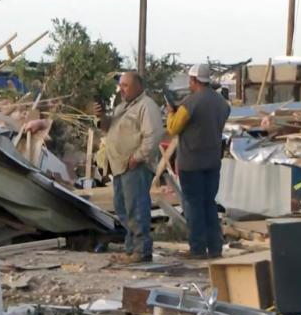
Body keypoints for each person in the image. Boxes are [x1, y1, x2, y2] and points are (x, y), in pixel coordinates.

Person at [96, 71, 164, 264]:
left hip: (135, 166)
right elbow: (109, 128)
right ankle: (131, 248)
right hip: (119, 166)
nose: (121, 89)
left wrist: (138, 156)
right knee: (123, 208)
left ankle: (142, 250)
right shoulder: (122, 107)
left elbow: (153, 135)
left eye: (125, 85)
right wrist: (101, 116)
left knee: (136, 208)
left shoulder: (146, 106)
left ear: (138, 86)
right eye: (121, 85)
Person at [165, 64, 230, 259]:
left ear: (194, 80)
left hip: (191, 162)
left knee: (193, 206)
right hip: (212, 161)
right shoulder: (221, 103)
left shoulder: (190, 103)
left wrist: (170, 112)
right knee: (209, 204)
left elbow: (173, 128)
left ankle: (198, 249)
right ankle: (215, 247)